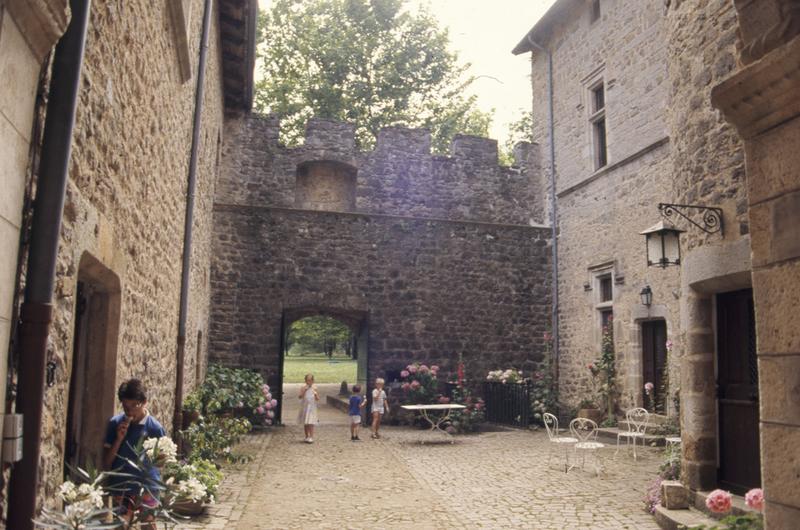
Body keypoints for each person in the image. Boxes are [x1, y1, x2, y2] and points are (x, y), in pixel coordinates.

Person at [102, 378, 166, 527]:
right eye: (125, 406)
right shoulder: (115, 424)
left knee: (148, 525)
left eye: (134, 406)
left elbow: (161, 462)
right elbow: (107, 462)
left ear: (144, 402)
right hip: (122, 485)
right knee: (122, 525)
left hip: (148, 486)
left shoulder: (155, 428)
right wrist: (119, 439)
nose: (130, 411)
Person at [298, 373, 319, 443]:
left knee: (311, 422)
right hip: (305, 407)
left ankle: (311, 437)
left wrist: (316, 395)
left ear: (313, 381)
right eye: (307, 380)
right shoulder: (303, 387)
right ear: (305, 381)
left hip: (312, 407)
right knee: (306, 422)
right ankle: (306, 436)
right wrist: (304, 391)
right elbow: (300, 396)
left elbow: (317, 399)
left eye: (310, 380)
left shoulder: (315, 388)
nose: (309, 382)